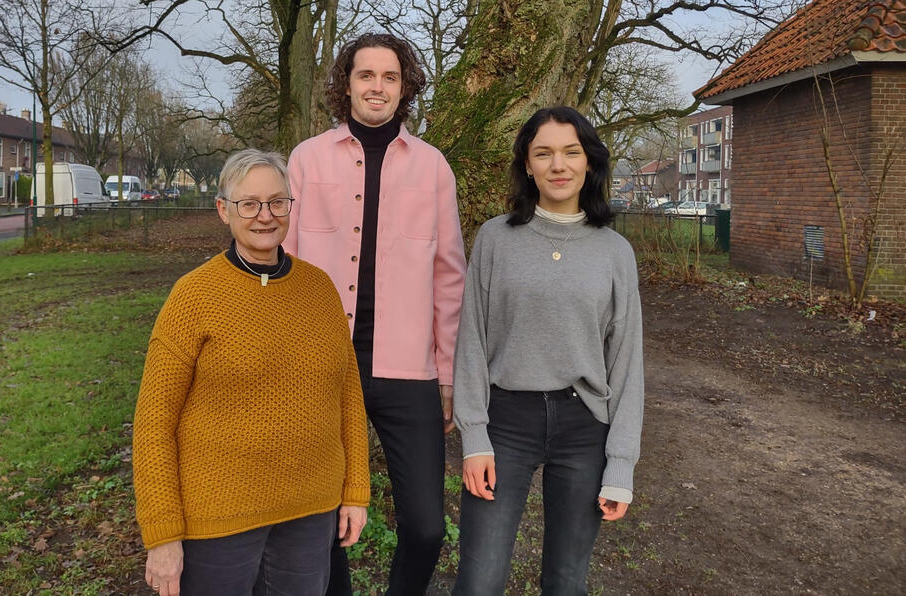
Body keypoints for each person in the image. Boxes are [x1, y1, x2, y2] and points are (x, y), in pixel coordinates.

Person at [132, 149, 370, 596]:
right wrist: (162, 533)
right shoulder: (194, 297)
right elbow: (153, 423)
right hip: (218, 517)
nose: (265, 216)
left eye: (277, 202)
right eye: (249, 204)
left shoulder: (319, 290)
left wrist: (355, 490)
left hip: (309, 511)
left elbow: (348, 399)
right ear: (224, 210)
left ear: (290, 208)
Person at [285, 33, 467, 596]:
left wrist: (448, 373)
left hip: (407, 367)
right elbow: (283, 262)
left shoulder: (433, 168)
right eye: (366, 75)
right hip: (321, 363)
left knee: (427, 526)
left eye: (390, 77)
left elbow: (449, 276)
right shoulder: (307, 160)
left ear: (405, 87)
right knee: (320, 514)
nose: (378, 87)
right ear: (346, 84)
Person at [452, 106, 644, 596]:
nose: (558, 165)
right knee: (479, 580)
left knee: (565, 582)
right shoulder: (496, 239)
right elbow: (472, 340)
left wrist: (620, 464)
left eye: (570, 152)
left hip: (584, 428)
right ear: (528, 165)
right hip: (506, 424)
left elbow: (625, 363)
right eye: (544, 153)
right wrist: (474, 436)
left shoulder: (614, 252)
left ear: (590, 163)